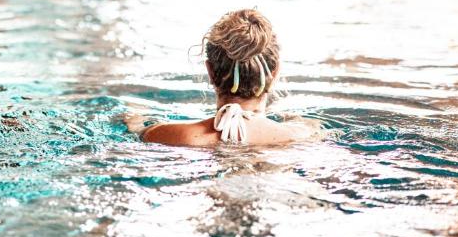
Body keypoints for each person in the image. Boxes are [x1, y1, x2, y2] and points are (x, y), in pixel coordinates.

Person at [136, 8, 320, 147]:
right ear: (274, 73)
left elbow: (136, 129)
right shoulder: (303, 134)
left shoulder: (162, 135)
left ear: (210, 71)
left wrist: (133, 118)